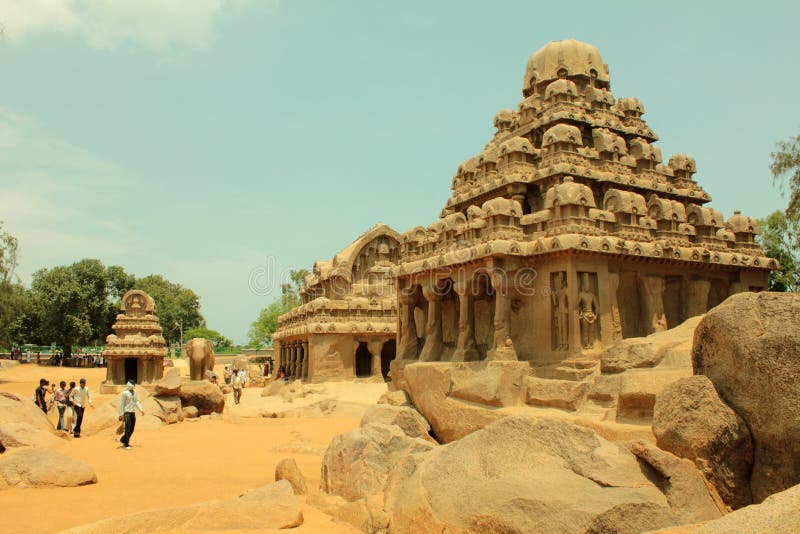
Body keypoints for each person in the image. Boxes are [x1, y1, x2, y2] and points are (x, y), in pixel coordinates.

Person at [118, 381, 145, 449]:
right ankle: (126, 444)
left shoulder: (135, 393)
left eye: (134, 385)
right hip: (127, 413)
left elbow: (137, 402)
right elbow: (122, 404)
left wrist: (141, 410)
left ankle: (123, 439)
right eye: (132, 385)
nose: (133, 386)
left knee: (132, 428)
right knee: (127, 428)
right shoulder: (125, 393)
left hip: (132, 412)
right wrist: (121, 414)